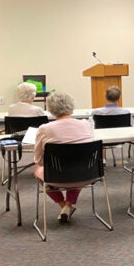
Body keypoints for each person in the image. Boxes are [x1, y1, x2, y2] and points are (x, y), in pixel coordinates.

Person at [33, 92, 93, 222]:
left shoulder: (44, 129)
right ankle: (68, 205)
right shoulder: (85, 124)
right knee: (77, 165)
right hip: (86, 174)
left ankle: (63, 205)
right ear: (71, 106)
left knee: (38, 170)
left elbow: (39, 160)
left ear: (50, 109)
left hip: (56, 177)